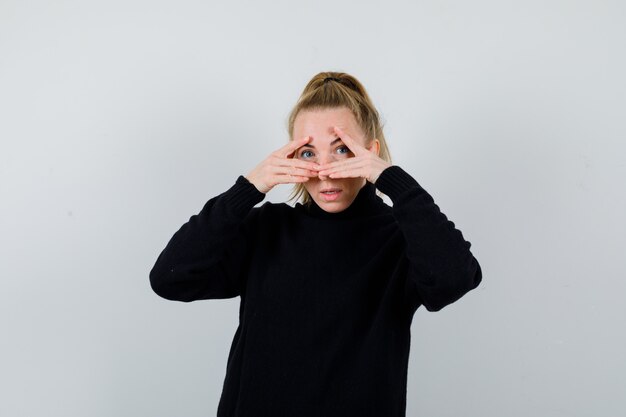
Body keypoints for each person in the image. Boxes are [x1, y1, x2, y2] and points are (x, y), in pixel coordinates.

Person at [149, 71, 482, 417]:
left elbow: (454, 277)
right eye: (308, 154)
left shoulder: (401, 240)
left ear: (370, 154)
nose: (324, 171)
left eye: (341, 149)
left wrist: (392, 179)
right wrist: (248, 188)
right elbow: (171, 278)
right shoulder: (267, 230)